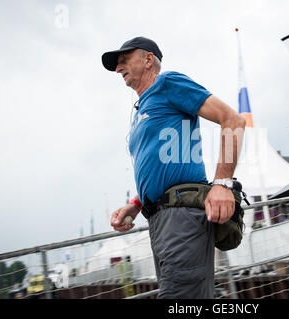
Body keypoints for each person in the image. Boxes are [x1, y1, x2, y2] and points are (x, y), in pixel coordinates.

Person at [102, 37, 246, 299]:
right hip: (158, 219)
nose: (118, 67)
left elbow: (233, 120)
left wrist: (223, 183)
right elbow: (159, 164)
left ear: (148, 59)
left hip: (181, 215)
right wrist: (135, 204)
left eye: (124, 59)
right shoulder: (141, 110)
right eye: (116, 63)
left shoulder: (167, 83)